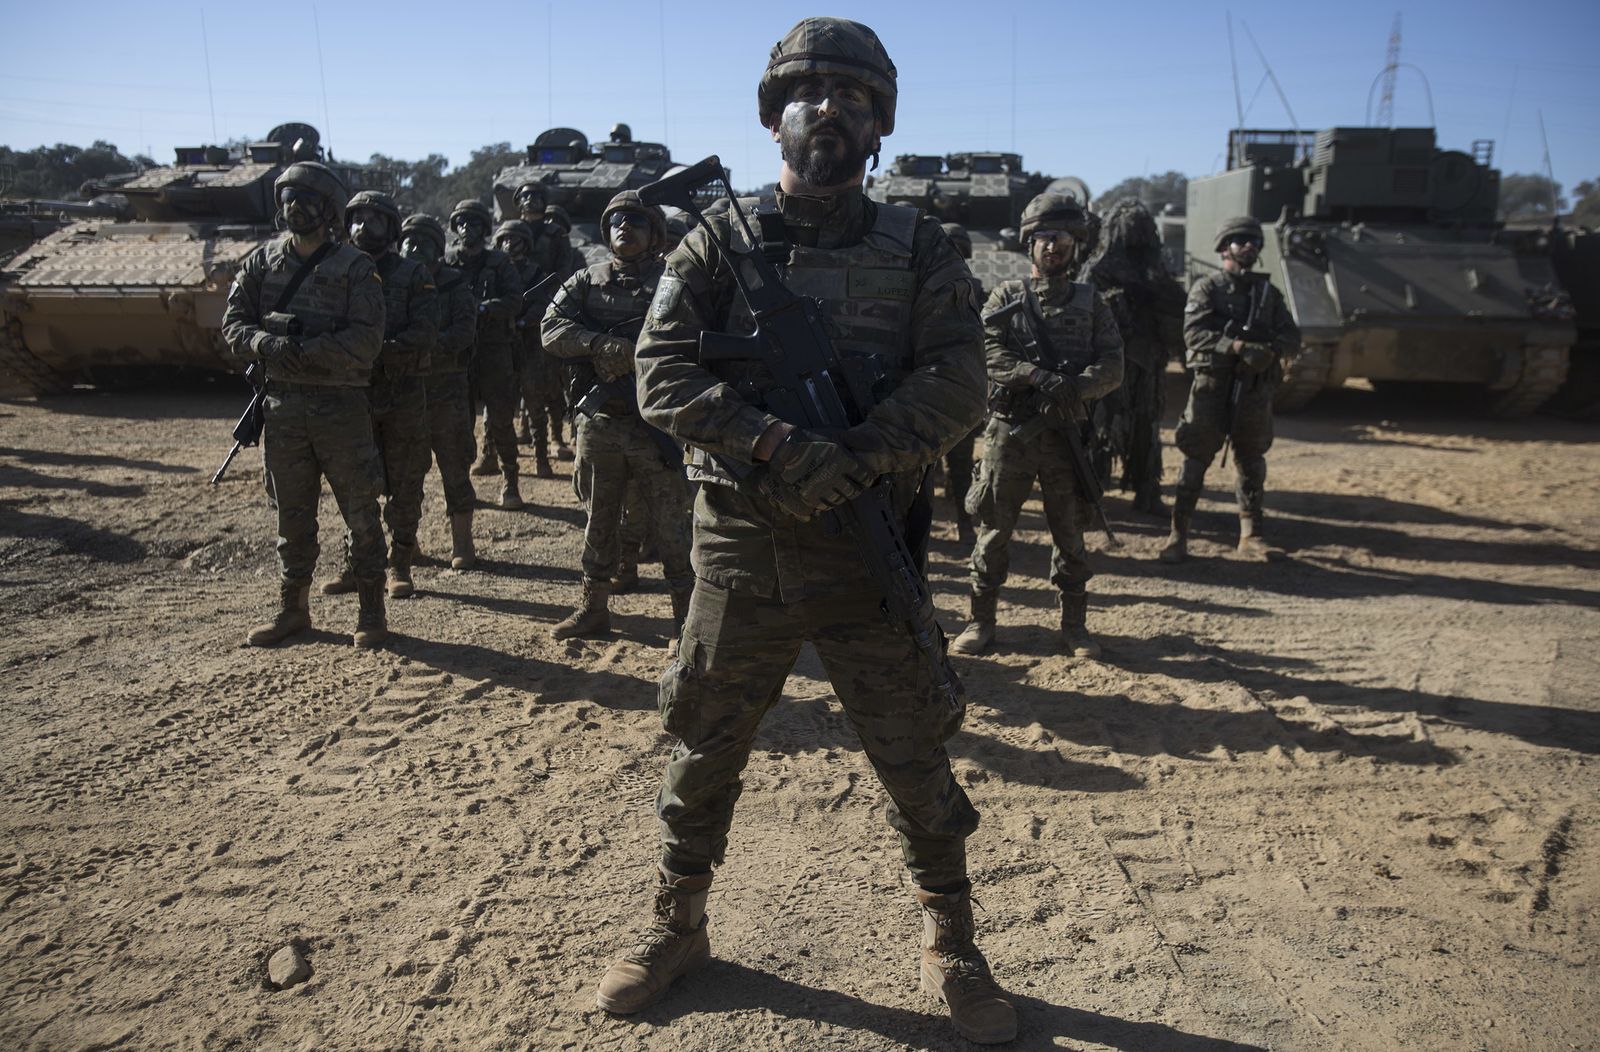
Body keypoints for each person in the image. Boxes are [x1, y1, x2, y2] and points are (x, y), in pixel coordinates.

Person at [597, 18, 1016, 1045]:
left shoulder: (918, 246)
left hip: (864, 539)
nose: (828, 109)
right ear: (770, 118)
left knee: (912, 749)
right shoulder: (711, 240)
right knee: (704, 742)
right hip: (741, 544)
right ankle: (676, 920)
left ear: (879, 129)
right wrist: (776, 441)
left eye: (853, 99)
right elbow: (660, 374)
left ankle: (952, 940)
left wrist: (864, 450)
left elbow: (963, 376)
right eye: (807, 94)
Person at [220, 161, 388, 647]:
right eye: (288, 197)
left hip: (341, 408)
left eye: (306, 199)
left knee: (360, 510)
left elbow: (366, 340)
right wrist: (266, 345)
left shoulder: (356, 268)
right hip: (283, 409)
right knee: (292, 515)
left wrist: (306, 352)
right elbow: (233, 325)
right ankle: (293, 609)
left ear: (328, 210)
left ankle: (371, 612)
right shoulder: (261, 262)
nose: (294, 207)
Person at [952, 192, 1124, 660]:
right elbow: (986, 350)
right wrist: (1035, 376)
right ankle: (980, 621)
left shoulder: (1093, 303)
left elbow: (1113, 364)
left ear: (1076, 246)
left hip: (1066, 436)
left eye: (1063, 239)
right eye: (1045, 239)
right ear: (1030, 245)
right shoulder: (1007, 297)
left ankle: (1075, 628)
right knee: (993, 528)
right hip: (1010, 436)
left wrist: (1076, 388)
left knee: (1069, 533)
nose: (1053, 247)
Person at [541, 190, 692, 639]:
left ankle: (686, 620)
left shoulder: (675, 281)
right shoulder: (587, 281)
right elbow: (550, 330)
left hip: (656, 425)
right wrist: (598, 345)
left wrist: (641, 356)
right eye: (616, 221)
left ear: (655, 233)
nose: (625, 227)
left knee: (672, 525)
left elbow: (693, 338)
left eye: (637, 221)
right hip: (600, 421)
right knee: (599, 518)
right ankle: (594, 608)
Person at [319, 191, 437, 600]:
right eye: (356, 218)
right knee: (356, 483)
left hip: (402, 392)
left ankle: (400, 564)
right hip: (354, 394)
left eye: (374, 219)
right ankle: (358, 563)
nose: (362, 227)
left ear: (391, 227)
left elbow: (426, 329)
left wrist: (376, 346)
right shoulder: (336, 271)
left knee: (406, 482)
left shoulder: (412, 272)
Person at [1162, 215, 1300, 562]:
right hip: (1213, 387)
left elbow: (1291, 337)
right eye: (1241, 240)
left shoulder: (1268, 294)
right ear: (1225, 247)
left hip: (1254, 390)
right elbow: (1193, 333)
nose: (1249, 246)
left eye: (1254, 241)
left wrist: (1270, 350)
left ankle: (1251, 535)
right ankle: (1178, 536)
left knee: (1252, 461)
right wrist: (1236, 347)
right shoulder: (1207, 289)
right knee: (1195, 458)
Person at [1084, 199, 1184, 514]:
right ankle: (1092, 492)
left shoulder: (1154, 268)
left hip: (1146, 360)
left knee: (1146, 427)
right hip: (1105, 360)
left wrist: (1153, 293)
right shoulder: (1098, 269)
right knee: (1101, 426)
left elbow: (1176, 305)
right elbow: (1085, 307)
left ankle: (1147, 490)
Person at [402, 213, 480, 569]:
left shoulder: (454, 285)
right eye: (409, 241)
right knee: (404, 473)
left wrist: (425, 347)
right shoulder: (395, 283)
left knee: (455, 467)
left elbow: (465, 330)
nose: (414, 248)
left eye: (423, 242)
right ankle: (406, 546)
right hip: (405, 392)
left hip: (446, 390)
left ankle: (463, 544)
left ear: (438, 249)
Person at [448, 199, 524, 509]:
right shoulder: (449, 265)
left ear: (484, 228)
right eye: (463, 223)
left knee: (502, 419)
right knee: (460, 423)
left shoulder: (500, 263)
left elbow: (514, 300)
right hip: (458, 354)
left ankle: (510, 481)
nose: (468, 228)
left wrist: (484, 308)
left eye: (475, 223)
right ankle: (463, 485)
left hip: (494, 349)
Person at [512, 182, 579, 464]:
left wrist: (551, 303)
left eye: (536, 195)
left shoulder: (556, 236)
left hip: (548, 308)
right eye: (526, 196)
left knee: (550, 376)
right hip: (515, 310)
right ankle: (519, 430)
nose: (532, 200)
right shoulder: (511, 232)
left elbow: (564, 270)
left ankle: (555, 436)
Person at [940, 221, 980, 543]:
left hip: (958, 392)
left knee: (961, 463)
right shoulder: (918, 288)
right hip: (920, 390)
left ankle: (965, 525)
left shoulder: (977, 290)